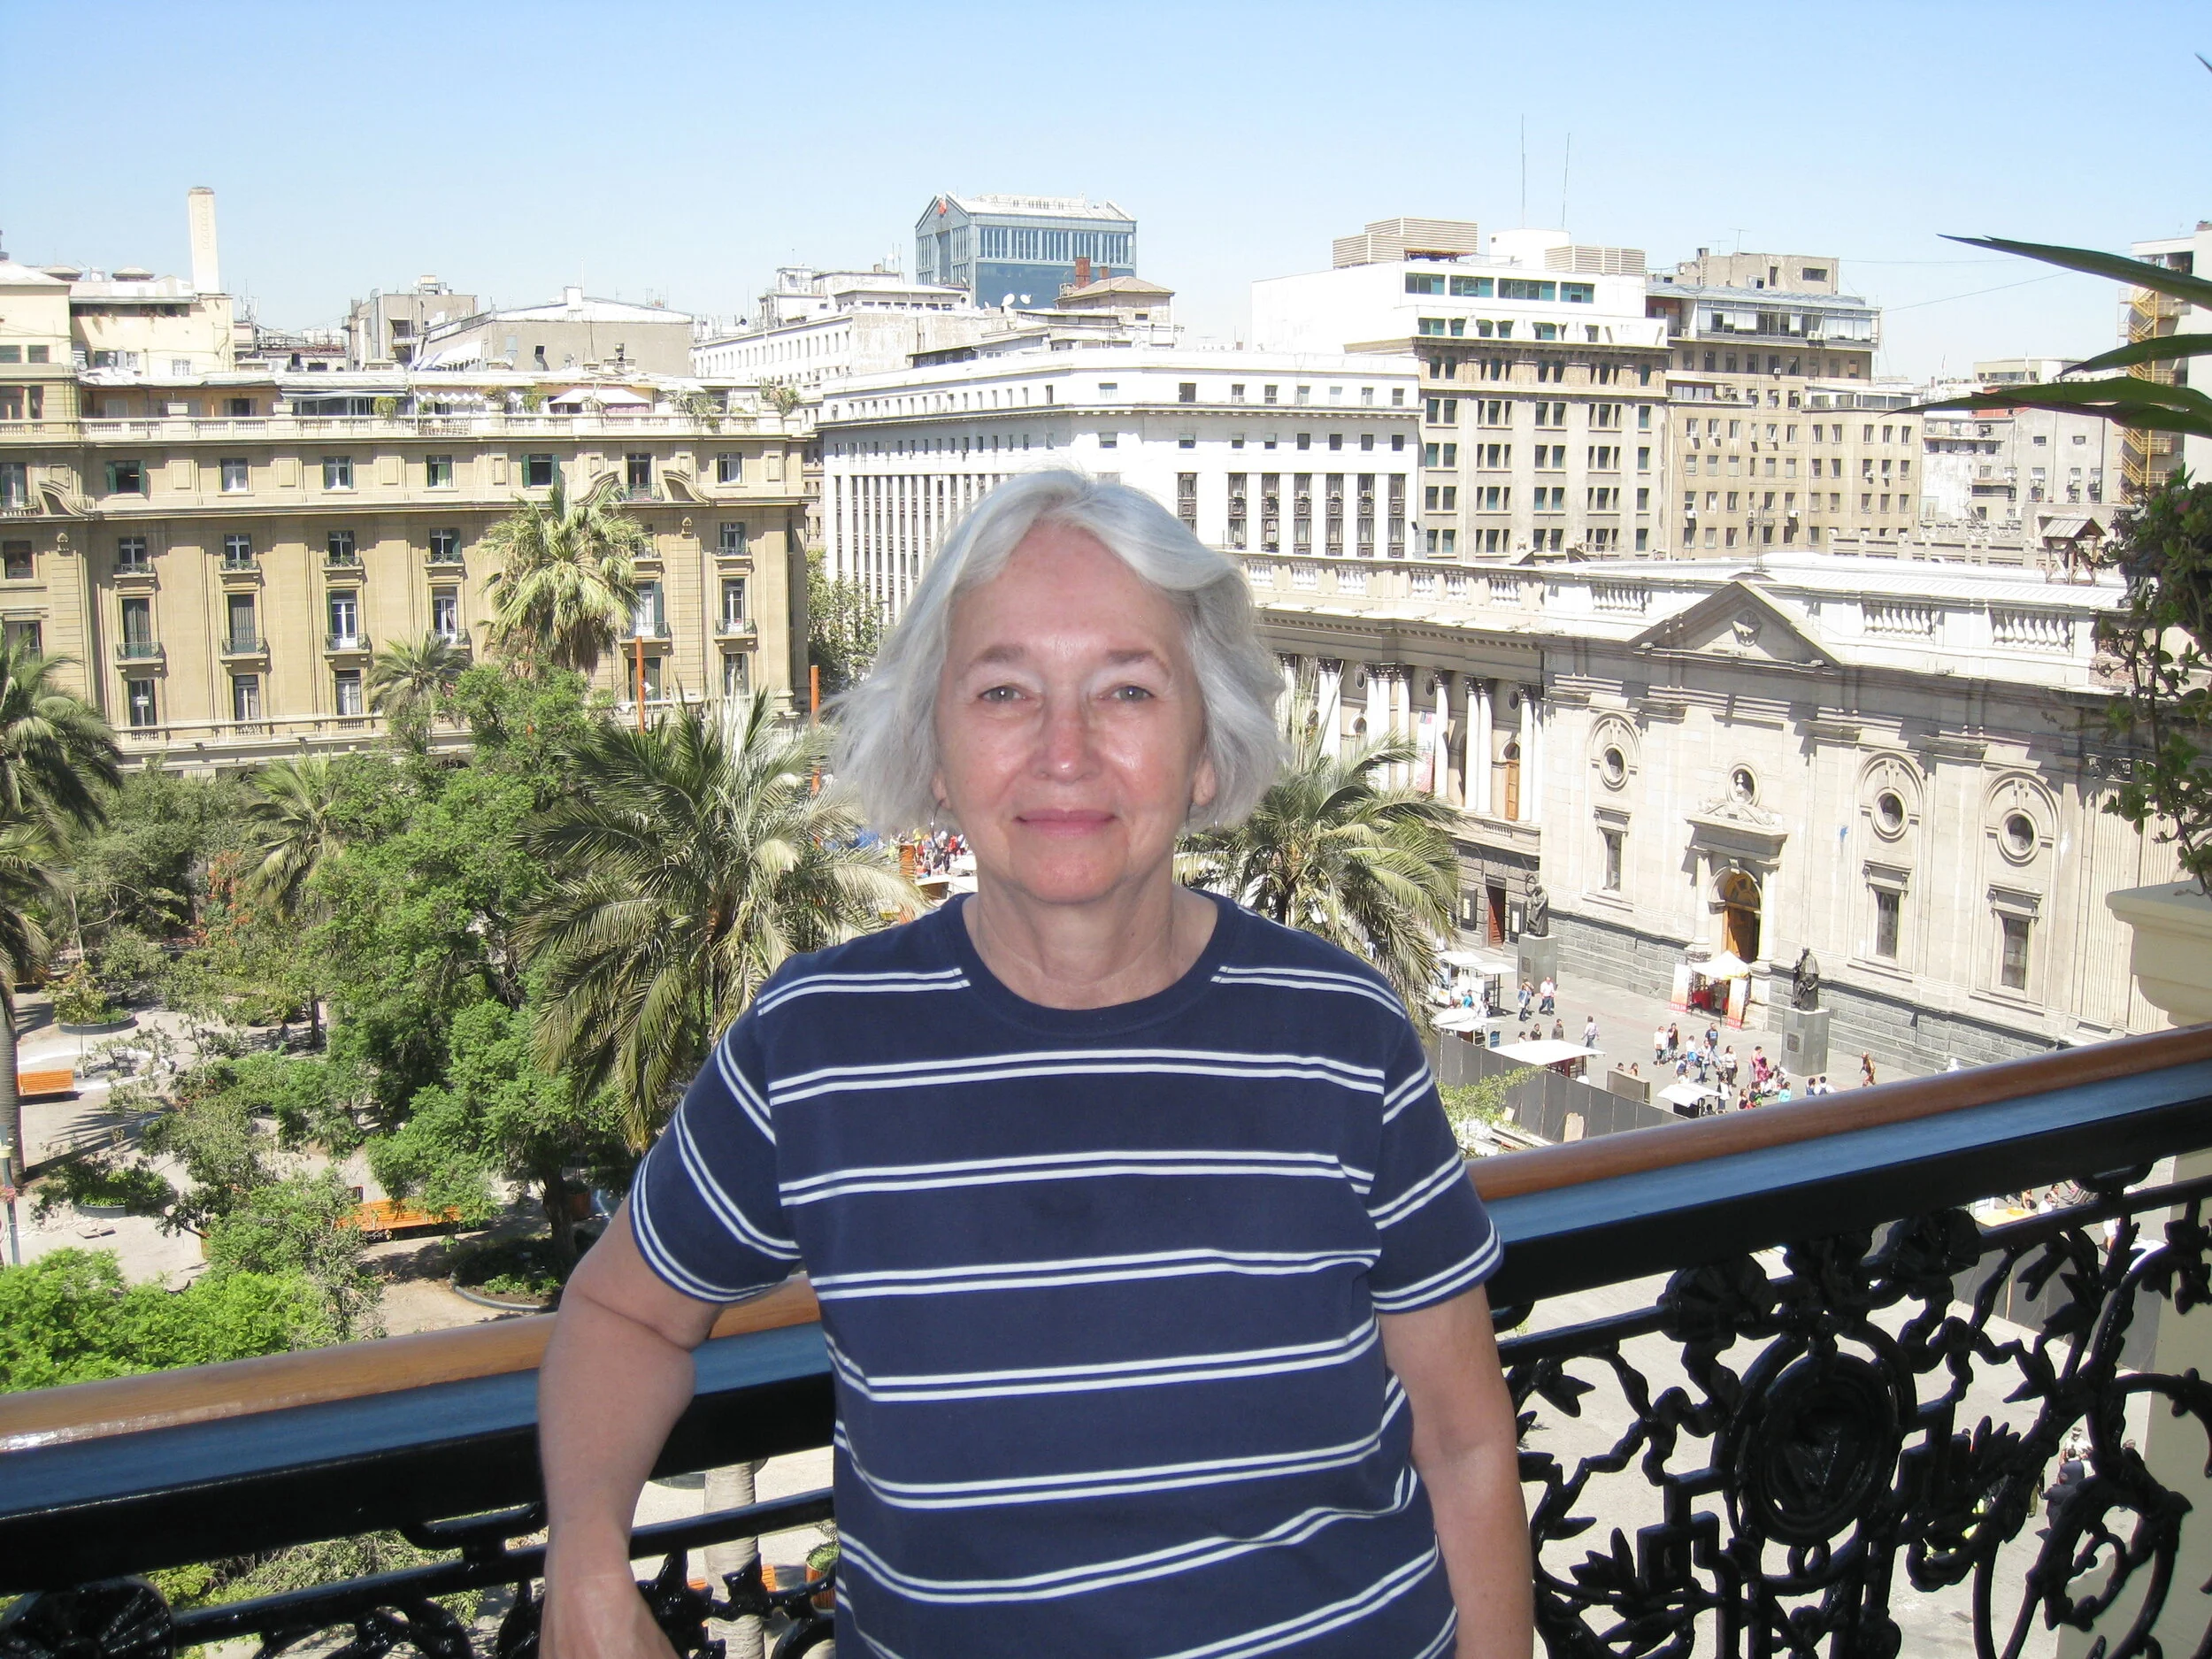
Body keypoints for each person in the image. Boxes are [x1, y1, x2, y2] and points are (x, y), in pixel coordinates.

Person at [536, 472, 1533, 1659]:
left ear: (1205, 752)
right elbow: (621, 1311)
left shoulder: (1342, 1035)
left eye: (1126, 689)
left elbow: (1465, 1442)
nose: (1066, 751)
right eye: (1006, 689)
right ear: (937, 754)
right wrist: (589, 1554)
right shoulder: (814, 1049)